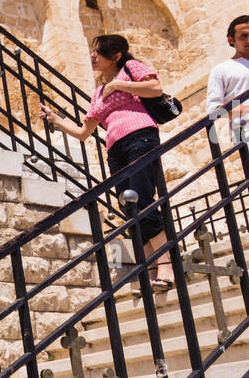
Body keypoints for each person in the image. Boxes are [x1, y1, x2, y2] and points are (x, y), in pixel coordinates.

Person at [40, 34, 175, 292]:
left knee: (144, 200)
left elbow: (155, 89)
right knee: (130, 207)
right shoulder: (98, 93)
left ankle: (166, 264)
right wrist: (55, 119)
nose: (92, 56)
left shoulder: (130, 69)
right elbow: (83, 132)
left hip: (141, 137)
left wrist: (121, 86)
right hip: (116, 150)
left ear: (115, 55)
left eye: (98, 52)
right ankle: (150, 268)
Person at [206, 15, 249, 139]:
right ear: (231, 40)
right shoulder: (222, 70)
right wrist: (245, 109)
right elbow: (213, 111)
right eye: (244, 36)